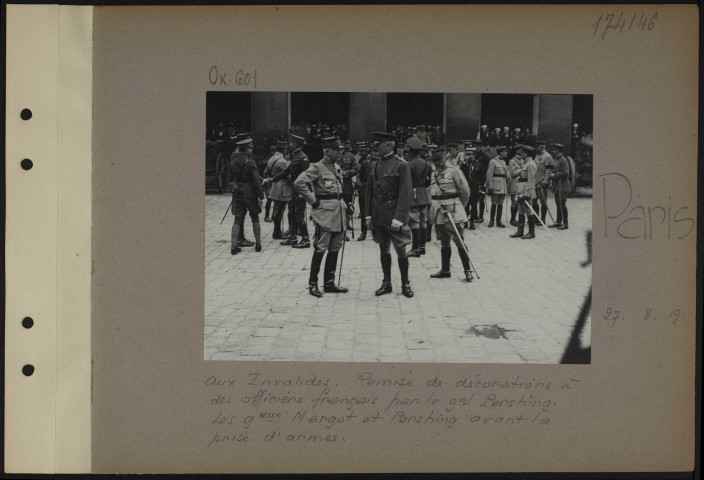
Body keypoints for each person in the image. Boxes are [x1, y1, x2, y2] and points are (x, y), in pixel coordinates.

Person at [293, 136, 349, 297]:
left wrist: (346, 204)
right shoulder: (317, 167)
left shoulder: (336, 167)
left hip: (339, 212)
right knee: (321, 248)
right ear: (327, 151)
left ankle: (329, 283)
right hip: (324, 213)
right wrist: (313, 201)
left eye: (341, 150)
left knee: (335, 247)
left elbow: (338, 189)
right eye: (337, 150)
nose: (340, 152)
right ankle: (313, 284)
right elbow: (299, 183)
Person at [365, 132, 414, 298]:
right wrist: (367, 215)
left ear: (388, 145)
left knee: (401, 249)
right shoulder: (375, 165)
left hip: (394, 214)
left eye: (378, 144)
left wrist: (399, 218)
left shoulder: (402, 165)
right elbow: (369, 191)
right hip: (379, 214)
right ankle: (386, 282)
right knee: (383, 248)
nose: (375, 147)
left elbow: (406, 193)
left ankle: (405, 283)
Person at [428, 148, 473, 282]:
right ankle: (445, 269)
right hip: (438, 211)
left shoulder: (454, 171)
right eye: (434, 160)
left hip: (453, 210)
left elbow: (465, 192)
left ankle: (467, 270)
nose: (437, 163)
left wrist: (459, 208)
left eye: (439, 160)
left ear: (445, 158)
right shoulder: (434, 174)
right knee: (444, 241)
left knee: (459, 239)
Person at [228, 138, 265, 254]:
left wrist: (234, 187)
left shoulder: (232, 161)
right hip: (251, 194)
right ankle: (258, 244)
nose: (252, 150)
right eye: (251, 148)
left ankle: (234, 246)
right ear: (247, 148)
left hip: (238, 193)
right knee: (255, 217)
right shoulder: (251, 162)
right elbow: (256, 181)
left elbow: (229, 180)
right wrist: (261, 196)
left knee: (237, 219)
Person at [404, 137, 431, 257]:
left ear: (410, 150)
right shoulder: (425, 163)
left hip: (413, 194)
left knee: (414, 221)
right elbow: (428, 180)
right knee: (423, 221)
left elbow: (406, 182)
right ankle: (422, 247)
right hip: (423, 193)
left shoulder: (409, 164)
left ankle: (415, 248)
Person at [510, 145, 538, 239]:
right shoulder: (526, 163)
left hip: (526, 190)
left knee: (528, 210)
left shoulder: (531, 164)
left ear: (526, 153)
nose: (520, 153)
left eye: (522, 152)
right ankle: (520, 231)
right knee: (521, 209)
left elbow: (531, 181)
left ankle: (531, 232)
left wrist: (526, 194)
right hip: (521, 189)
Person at [266, 140, 291, 239]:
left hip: (275, 186)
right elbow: (288, 175)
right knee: (279, 211)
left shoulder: (272, 158)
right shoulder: (282, 161)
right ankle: (277, 232)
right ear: (284, 149)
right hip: (282, 188)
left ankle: (277, 231)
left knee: (277, 209)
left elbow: (267, 172)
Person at [339, 141, 360, 240]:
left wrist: (345, 173)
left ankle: (347, 224)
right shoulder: (335, 157)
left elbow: (356, 168)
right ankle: (341, 231)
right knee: (339, 209)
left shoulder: (352, 157)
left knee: (348, 207)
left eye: (348, 145)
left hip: (347, 186)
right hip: (336, 186)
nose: (345, 147)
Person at [459, 147, 485, 230]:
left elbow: (482, 178)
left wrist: (481, 187)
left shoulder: (479, 165)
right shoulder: (464, 165)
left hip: (474, 189)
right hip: (466, 188)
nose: (468, 156)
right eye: (467, 154)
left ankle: (472, 222)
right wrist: (463, 163)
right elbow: (459, 173)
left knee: (474, 206)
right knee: (466, 206)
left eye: (470, 154)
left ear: (474, 155)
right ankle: (465, 222)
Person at [547, 143, 571, 230]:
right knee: (558, 204)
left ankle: (565, 223)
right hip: (557, 186)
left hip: (563, 186)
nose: (552, 151)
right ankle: (558, 221)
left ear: (558, 150)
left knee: (562, 204)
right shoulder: (557, 160)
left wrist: (554, 175)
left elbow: (566, 173)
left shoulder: (563, 160)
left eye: (553, 150)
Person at [485, 145, 510, 228]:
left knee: (501, 203)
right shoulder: (493, 161)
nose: (506, 153)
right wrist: (490, 187)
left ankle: (498, 221)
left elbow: (505, 172)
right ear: (500, 152)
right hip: (496, 185)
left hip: (503, 185)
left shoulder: (504, 162)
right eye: (505, 151)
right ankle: (492, 220)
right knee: (494, 202)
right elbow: (489, 175)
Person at [533, 140, 555, 225]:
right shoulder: (537, 156)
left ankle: (542, 219)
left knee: (543, 202)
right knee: (534, 201)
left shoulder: (547, 157)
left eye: (537, 147)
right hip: (536, 182)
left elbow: (549, 170)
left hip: (542, 183)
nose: (536, 148)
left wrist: (546, 181)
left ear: (542, 147)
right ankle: (536, 218)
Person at [355, 141, 371, 241]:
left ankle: (374, 232)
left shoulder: (380, 163)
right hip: (364, 189)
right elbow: (360, 176)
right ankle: (363, 232)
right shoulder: (365, 163)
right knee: (364, 212)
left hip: (376, 190)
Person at [507, 144, 525, 226]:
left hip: (521, 184)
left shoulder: (523, 160)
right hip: (515, 184)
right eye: (520, 150)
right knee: (514, 202)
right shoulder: (512, 161)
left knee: (520, 202)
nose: (522, 151)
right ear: (517, 151)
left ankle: (518, 219)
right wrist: (522, 170)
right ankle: (512, 219)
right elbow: (513, 174)